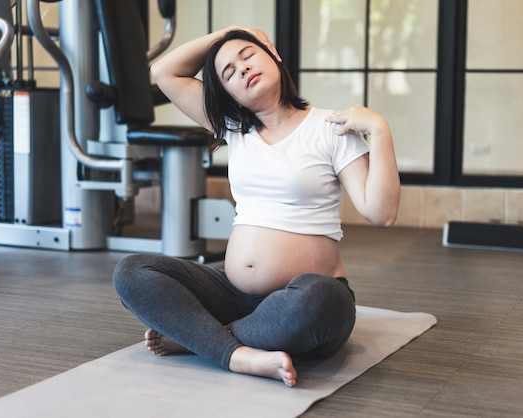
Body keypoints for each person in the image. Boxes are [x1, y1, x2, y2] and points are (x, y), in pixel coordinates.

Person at [113, 26, 400, 388]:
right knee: (132, 271)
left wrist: (380, 129)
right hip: (233, 296)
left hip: (303, 298)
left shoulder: (330, 130)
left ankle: (200, 338)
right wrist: (233, 33)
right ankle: (238, 353)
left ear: (273, 54)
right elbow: (164, 72)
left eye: (248, 55)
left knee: (319, 301)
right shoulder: (234, 128)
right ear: (228, 93)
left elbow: (382, 213)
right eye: (228, 72)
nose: (242, 69)